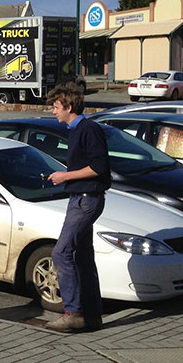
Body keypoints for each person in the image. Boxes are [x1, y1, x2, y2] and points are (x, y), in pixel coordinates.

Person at [45, 83, 110, 333]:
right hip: (80, 198)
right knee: (82, 256)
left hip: (86, 199)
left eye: (56, 107)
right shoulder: (76, 131)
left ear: (69, 107)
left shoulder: (88, 129)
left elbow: (99, 167)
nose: (54, 112)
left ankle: (73, 313)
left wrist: (66, 176)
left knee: (61, 253)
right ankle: (92, 315)